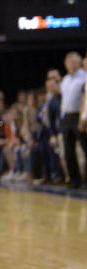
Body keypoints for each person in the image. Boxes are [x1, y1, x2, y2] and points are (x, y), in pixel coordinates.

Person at [59, 52, 87, 188]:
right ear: (65, 63)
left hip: (79, 115)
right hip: (67, 117)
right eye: (69, 61)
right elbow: (64, 101)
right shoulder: (65, 80)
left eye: (74, 61)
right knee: (68, 151)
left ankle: (85, 180)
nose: (71, 64)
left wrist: (83, 117)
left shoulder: (84, 77)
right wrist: (62, 116)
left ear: (79, 62)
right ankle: (74, 180)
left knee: (85, 148)